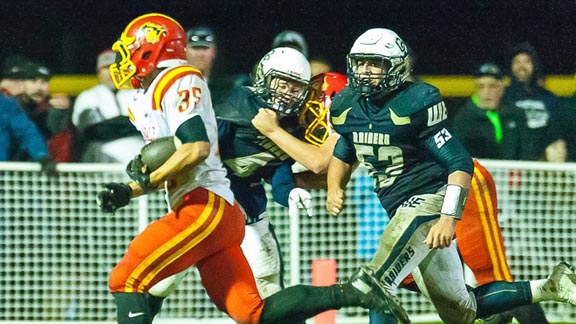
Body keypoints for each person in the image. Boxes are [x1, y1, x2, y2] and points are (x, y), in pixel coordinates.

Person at [96, 13, 403, 324]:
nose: (286, 93)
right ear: (264, 77)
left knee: (129, 279)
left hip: (214, 206)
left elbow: (294, 164)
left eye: (295, 87)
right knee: (249, 312)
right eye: (281, 83)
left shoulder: (282, 124)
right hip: (222, 207)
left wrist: (292, 180)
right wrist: (137, 185)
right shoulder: (235, 107)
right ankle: (352, 291)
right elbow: (197, 148)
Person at [325, 28, 576, 324]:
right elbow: (344, 148)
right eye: (361, 62)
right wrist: (333, 187)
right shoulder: (348, 106)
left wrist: (447, 217)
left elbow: (458, 161)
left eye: (375, 63)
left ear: (396, 66)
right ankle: (549, 287)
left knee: (375, 284)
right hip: (403, 207)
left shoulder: (414, 102)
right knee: (461, 311)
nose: (365, 71)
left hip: (433, 197)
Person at [72, 49, 143, 163]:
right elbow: (93, 131)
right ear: (98, 72)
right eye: (106, 68)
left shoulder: (138, 94)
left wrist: (114, 123)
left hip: (140, 161)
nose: (111, 72)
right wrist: (132, 123)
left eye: (116, 67)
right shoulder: (88, 96)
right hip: (103, 164)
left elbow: (153, 125)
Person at [451, 63, 527, 159]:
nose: (486, 92)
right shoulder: (464, 118)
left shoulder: (515, 114)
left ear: (502, 88)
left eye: (492, 86)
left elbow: (526, 151)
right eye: (481, 87)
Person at [501, 42, 561, 161]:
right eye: (517, 62)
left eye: (527, 61)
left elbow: (557, 132)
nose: (521, 66)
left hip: (543, 162)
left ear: (534, 65)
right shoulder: (503, 96)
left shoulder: (548, 97)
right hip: (512, 161)